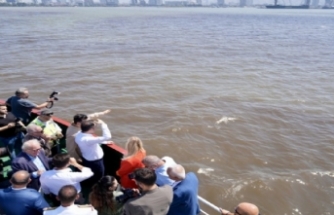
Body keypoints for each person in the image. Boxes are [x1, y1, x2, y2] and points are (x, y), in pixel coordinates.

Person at [75, 119, 112, 186]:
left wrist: (105, 142)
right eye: (94, 127)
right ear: (91, 129)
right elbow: (107, 136)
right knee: (99, 176)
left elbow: (94, 140)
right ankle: (96, 186)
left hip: (86, 158)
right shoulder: (88, 139)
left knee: (90, 173)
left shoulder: (79, 134)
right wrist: (103, 124)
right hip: (95, 161)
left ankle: (88, 183)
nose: (95, 128)